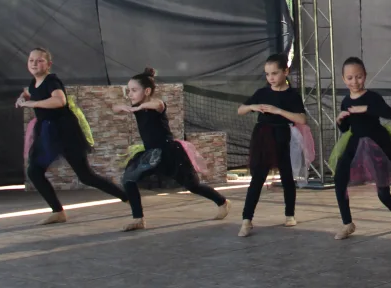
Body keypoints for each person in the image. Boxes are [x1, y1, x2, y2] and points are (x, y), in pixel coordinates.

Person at [18, 48, 127, 224]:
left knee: (86, 176)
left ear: (49, 64)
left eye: (39, 61)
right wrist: (22, 98)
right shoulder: (34, 82)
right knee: (34, 171)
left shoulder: (52, 81)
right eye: (31, 60)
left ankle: (128, 197)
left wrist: (33, 103)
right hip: (47, 133)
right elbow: (31, 92)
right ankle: (58, 212)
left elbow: (60, 101)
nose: (34, 64)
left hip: (64, 132)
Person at [116, 68, 230, 231]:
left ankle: (222, 202)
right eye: (129, 91)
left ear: (147, 91)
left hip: (171, 153)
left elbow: (158, 104)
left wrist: (137, 108)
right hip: (151, 154)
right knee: (129, 179)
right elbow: (115, 108)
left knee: (193, 186)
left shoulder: (157, 105)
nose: (130, 94)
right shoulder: (137, 107)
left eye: (134, 90)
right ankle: (138, 219)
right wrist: (122, 107)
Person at [331, 57, 391, 240]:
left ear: (365, 76)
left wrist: (366, 109)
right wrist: (340, 120)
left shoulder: (373, 97)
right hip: (354, 144)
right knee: (339, 181)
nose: (355, 81)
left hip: (377, 143)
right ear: (344, 79)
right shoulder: (345, 100)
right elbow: (347, 128)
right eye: (350, 78)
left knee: (383, 192)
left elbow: (390, 114)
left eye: (359, 77)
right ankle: (347, 223)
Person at [236, 54, 308, 237]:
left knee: (287, 176)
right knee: (258, 178)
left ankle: (289, 214)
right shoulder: (262, 93)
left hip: (282, 136)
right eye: (267, 74)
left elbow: (301, 118)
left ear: (286, 71)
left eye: (274, 73)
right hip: (262, 136)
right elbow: (240, 110)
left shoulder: (292, 95)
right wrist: (253, 107)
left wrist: (278, 111)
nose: (271, 78)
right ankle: (247, 219)